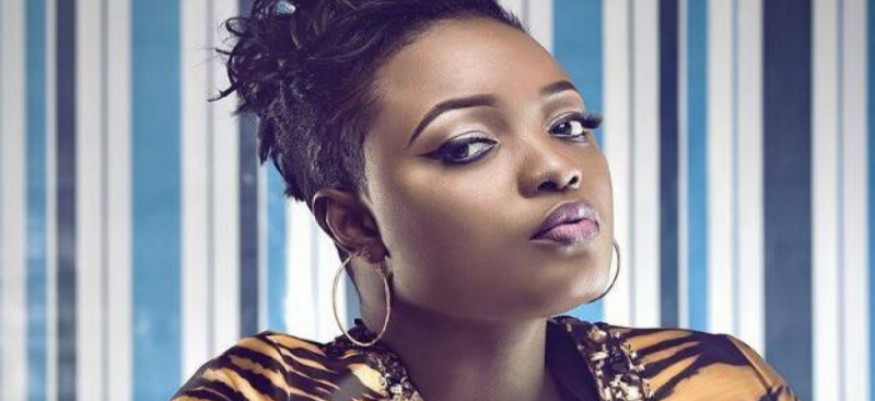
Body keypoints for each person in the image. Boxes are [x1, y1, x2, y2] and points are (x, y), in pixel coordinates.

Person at [172, 0, 799, 399]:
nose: (558, 168)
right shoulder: (271, 392)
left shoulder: (714, 383)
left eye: (568, 125)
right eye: (470, 145)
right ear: (356, 222)